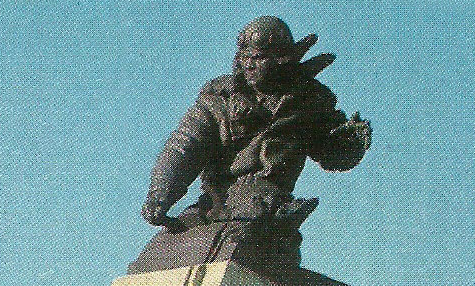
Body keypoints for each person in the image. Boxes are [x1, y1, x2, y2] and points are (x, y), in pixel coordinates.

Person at [140, 16, 372, 266]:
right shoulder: (219, 97)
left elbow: (330, 152)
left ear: (282, 59)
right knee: (165, 249)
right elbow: (184, 145)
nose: (249, 64)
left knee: (236, 243)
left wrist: (352, 143)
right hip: (215, 200)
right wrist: (161, 193)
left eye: (259, 57)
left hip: (267, 205)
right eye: (245, 56)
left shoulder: (309, 101)